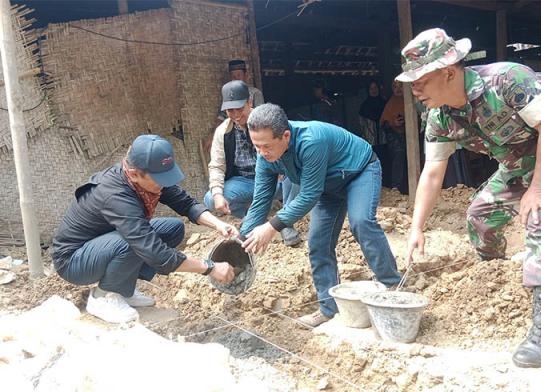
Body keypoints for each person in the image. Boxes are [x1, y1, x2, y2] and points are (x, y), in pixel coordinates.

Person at [398, 28, 541, 368]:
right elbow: (433, 172)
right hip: (521, 161)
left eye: (421, 80)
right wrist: (417, 228)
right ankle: (496, 275)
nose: (414, 89)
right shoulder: (440, 117)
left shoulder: (506, 81)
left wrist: (537, 189)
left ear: (448, 71)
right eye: (411, 81)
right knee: (479, 215)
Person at [238, 103, 402, 328]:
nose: (261, 152)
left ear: (285, 135)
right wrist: (241, 240)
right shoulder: (265, 157)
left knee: (361, 222)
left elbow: (308, 196)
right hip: (328, 186)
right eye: (256, 146)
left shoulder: (310, 141)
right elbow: (260, 201)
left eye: (266, 146)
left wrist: (271, 227)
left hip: (359, 172)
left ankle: (392, 286)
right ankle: (328, 308)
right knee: (318, 243)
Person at [52, 135, 237, 324]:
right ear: (133, 174)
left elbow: (185, 203)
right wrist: (209, 268)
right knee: (134, 243)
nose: (164, 184)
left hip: (105, 244)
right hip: (73, 261)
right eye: (159, 179)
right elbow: (155, 253)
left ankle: (123, 288)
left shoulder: (146, 180)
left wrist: (219, 224)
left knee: (173, 229)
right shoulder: (115, 195)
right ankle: (102, 297)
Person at [204, 80, 302, 246]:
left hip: (276, 180)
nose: (235, 114)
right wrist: (218, 194)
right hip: (245, 181)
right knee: (211, 198)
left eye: (239, 108)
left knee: (295, 176)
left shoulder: (269, 120)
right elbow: (217, 166)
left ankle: (284, 221)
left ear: (249, 102)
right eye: (230, 110)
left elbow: (289, 148)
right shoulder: (223, 131)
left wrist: (282, 168)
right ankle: (253, 218)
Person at [380, 80, 408, 194]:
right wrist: (393, 123)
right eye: (395, 87)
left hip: (411, 137)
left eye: (401, 86)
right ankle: (397, 187)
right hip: (396, 139)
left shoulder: (410, 101)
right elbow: (383, 123)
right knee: (399, 159)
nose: (398, 89)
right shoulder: (390, 104)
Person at [358, 79, 386, 146]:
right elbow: (361, 126)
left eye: (375, 88)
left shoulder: (385, 104)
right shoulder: (364, 107)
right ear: (368, 90)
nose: (374, 90)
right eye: (371, 88)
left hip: (384, 141)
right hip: (369, 142)